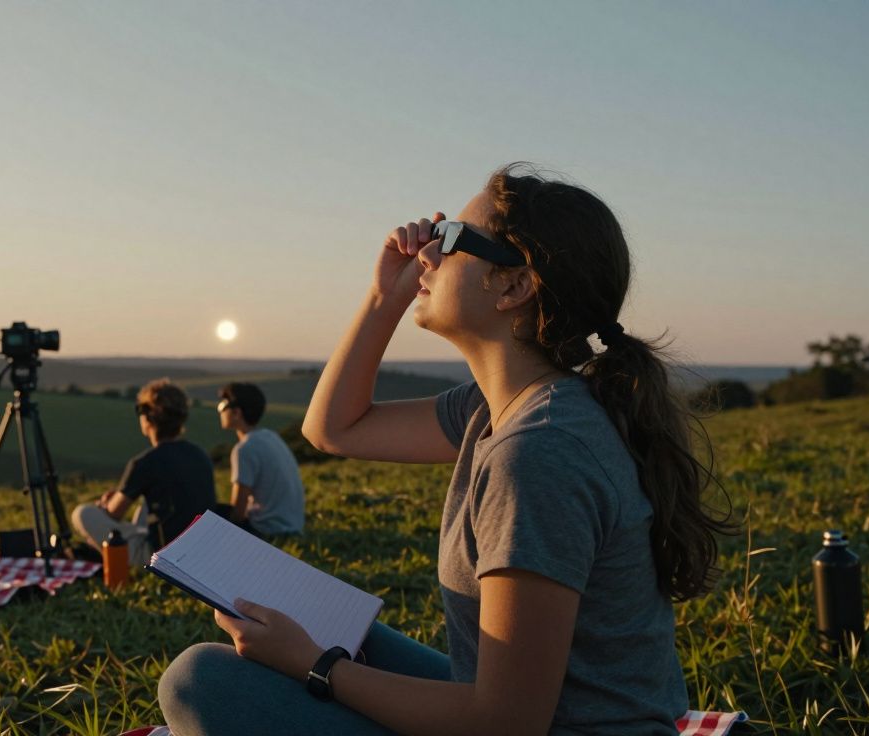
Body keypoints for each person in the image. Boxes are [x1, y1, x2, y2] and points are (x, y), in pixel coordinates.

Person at [158, 164, 734, 734]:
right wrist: (385, 297)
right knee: (329, 629)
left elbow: (506, 723)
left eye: (452, 239)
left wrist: (313, 665)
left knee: (200, 679)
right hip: (534, 713)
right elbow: (334, 429)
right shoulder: (498, 408)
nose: (426, 253)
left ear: (514, 285)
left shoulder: (537, 454)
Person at [71, 379, 217, 566]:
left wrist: (105, 505)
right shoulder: (200, 455)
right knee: (144, 507)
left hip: (163, 556)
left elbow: (114, 514)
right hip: (203, 549)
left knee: (82, 513)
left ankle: (115, 552)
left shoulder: (145, 462)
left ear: (147, 417)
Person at [212, 382, 305, 536]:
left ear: (237, 412)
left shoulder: (244, 449)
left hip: (268, 529)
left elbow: (238, 512)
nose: (220, 411)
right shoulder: (271, 436)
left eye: (222, 406)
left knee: (206, 512)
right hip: (293, 526)